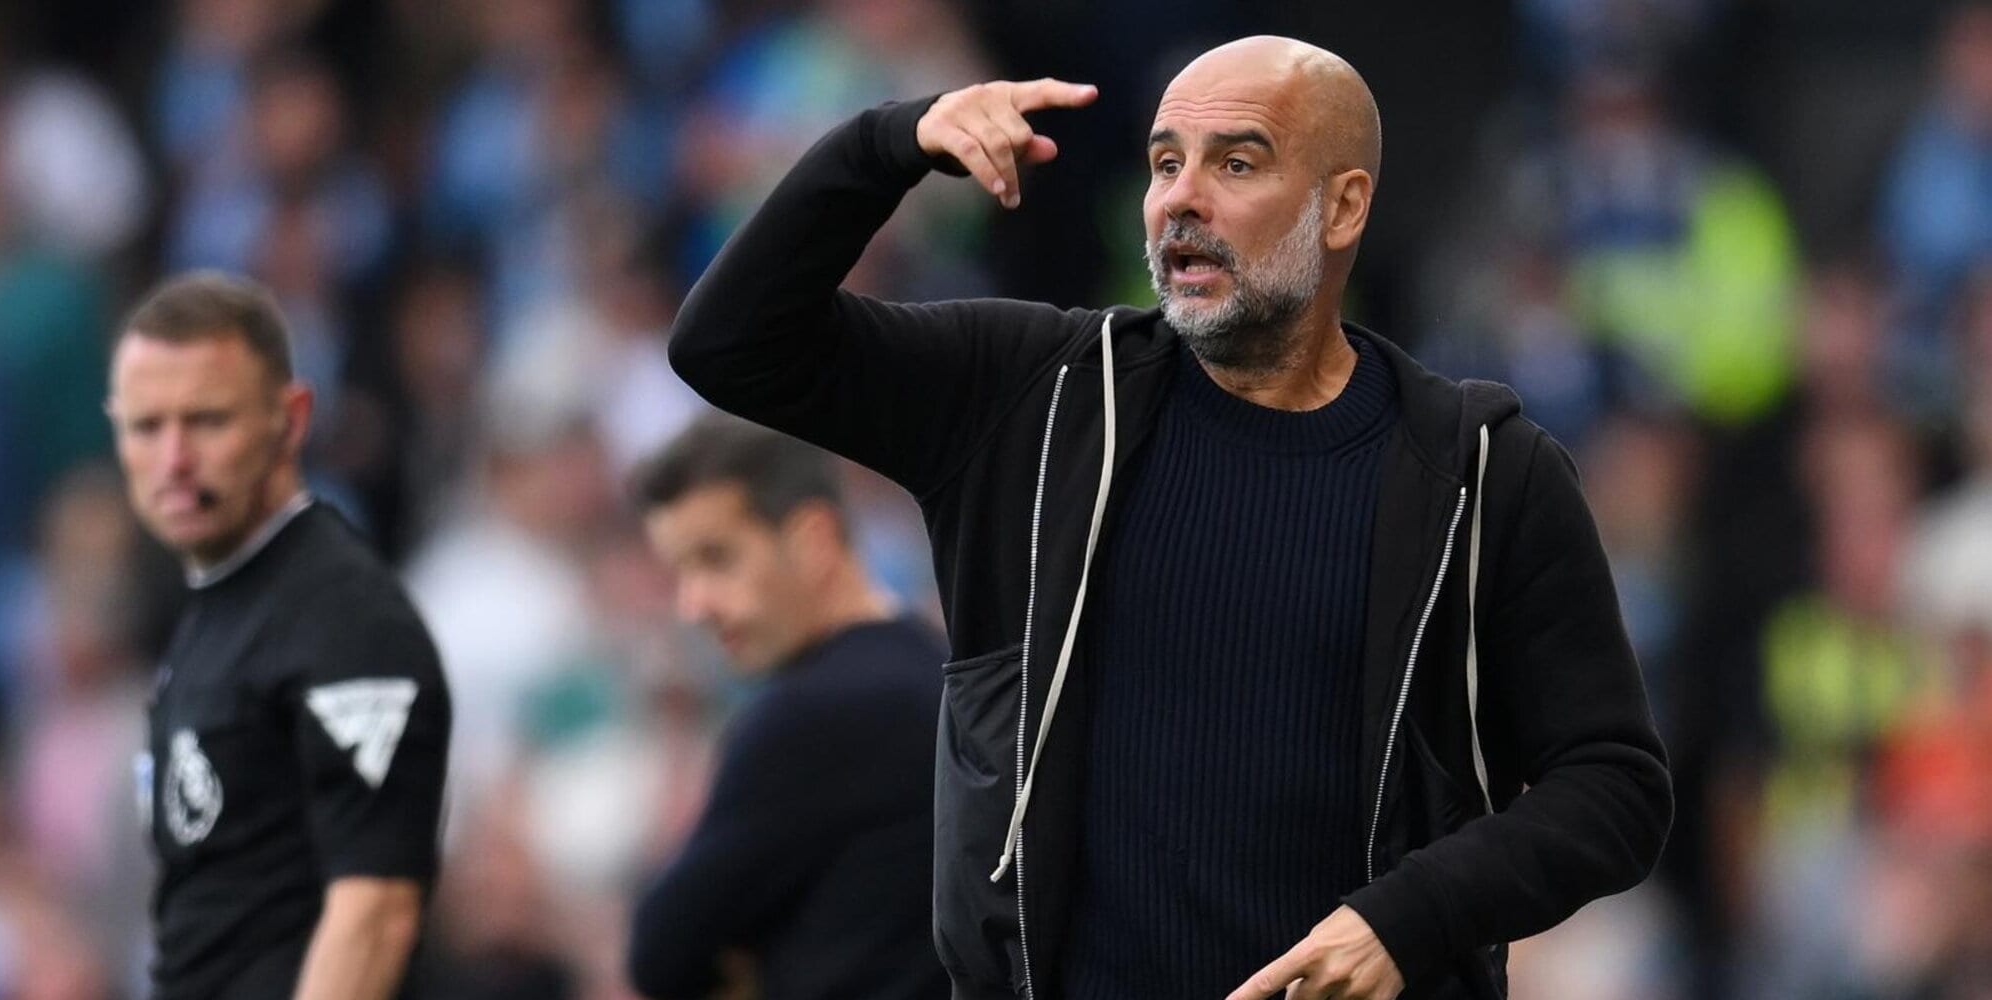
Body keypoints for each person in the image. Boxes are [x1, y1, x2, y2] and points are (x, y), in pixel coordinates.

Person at [667, 34, 1672, 1000]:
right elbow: (732, 342)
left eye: (1235, 163)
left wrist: (1407, 920)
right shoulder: (1034, 399)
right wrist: (886, 145)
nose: (1181, 198)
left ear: (1342, 207)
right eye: (1163, 164)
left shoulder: (1480, 472)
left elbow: (1614, 785)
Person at [107, 271, 451, 1000]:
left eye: (207, 421)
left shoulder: (345, 618)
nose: (174, 459)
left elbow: (376, 912)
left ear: (291, 420)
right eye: (146, 426)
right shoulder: (215, 608)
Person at [625, 414, 950, 1000]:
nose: (692, 606)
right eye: (679, 572)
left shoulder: (812, 716)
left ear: (813, 540)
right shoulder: (938, 667)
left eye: (716, 558)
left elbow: (660, 956)